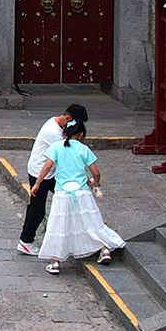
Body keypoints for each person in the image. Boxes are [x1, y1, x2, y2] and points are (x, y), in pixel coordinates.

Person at [33, 110, 124, 273]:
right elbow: (96, 172)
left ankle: (55, 262)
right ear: (81, 134)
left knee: (58, 226)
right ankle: (104, 249)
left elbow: (47, 166)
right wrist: (96, 183)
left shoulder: (56, 147)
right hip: (82, 192)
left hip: (62, 193)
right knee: (92, 222)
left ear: (64, 132)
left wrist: (37, 184)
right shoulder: (84, 149)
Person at [18, 104, 73, 255]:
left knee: (69, 198)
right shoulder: (54, 134)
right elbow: (65, 155)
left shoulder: (54, 122)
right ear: (68, 119)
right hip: (41, 173)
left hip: (46, 172)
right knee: (37, 208)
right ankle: (26, 241)